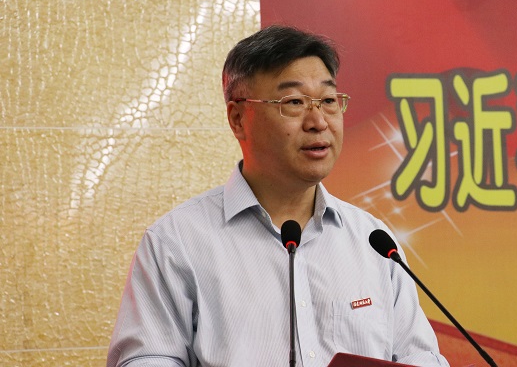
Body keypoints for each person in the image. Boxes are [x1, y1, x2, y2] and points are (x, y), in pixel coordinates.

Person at [107, 25, 449, 367]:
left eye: (328, 101)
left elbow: (419, 356)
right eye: (294, 102)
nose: (318, 121)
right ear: (238, 119)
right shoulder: (177, 242)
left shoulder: (373, 241)